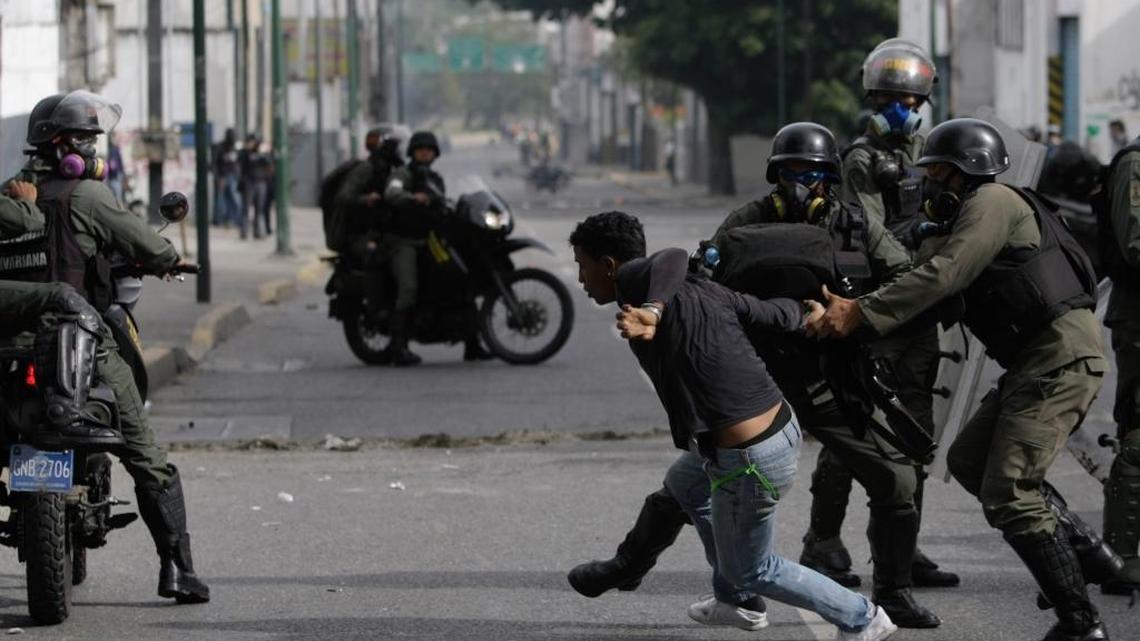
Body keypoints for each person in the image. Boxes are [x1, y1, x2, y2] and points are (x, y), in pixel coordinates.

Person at [570, 123, 942, 630]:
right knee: (684, 483)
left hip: (832, 374)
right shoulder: (746, 224)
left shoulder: (854, 226)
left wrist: (853, 313)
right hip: (759, 372)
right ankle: (650, 569)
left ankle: (886, 599)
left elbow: (906, 283)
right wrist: (669, 311)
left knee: (895, 478)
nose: (799, 183)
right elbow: (693, 272)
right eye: (789, 173)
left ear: (828, 179)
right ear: (773, 175)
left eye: (810, 174)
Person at [808, 117, 1119, 641]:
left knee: (1010, 493)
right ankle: (1086, 554)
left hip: (1059, 357)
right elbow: (933, 296)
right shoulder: (967, 219)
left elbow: (944, 277)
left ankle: (1079, 621)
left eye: (939, 175)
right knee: (969, 461)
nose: (930, 185)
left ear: (967, 174)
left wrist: (859, 314)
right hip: (1034, 360)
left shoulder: (993, 203)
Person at [1, 90, 210, 604]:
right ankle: (177, 571)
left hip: (10, 346)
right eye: (87, 140)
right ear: (63, 147)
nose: (94, 149)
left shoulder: (12, 195)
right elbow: (149, 244)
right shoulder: (88, 197)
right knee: (144, 451)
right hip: (79, 345)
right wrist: (167, 260)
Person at [802, 38, 958, 590]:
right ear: (874, 98)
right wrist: (919, 237)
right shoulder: (861, 160)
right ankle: (821, 541)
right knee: (856, 427)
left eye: (912, 102)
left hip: (919, 308)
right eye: (894, 99)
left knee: (915, 428)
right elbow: (864, 235)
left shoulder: (930, 154)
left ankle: (901, 548)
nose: (905, 109)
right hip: (875, 308)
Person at [384, 130, 493, 365]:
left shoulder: (435, 179)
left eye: (429, 149)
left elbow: (443, 201)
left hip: (431, 240)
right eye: (420, 149)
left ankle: (473, 344)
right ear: (413, 152)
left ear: (435, 153)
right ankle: (397, 346)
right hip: (405, 240)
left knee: (460, 279)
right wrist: (412, 198)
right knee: (408, 287)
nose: (425, 152)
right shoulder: (403, 174)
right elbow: (392, 192)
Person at [1096, 132, 1140, 595]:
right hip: (1138, 318)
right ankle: (1123, 558)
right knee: (1137, 438)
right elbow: (1135, 244)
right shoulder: (1136, 163)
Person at [239, 134, 273, 239]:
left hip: (261, 182)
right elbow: (242, 162)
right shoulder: (246, 153)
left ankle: (258, 232)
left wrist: (263, 152)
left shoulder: (262, 153)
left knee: (259, 210)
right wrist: (249, 150)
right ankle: (244, 231)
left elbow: (269, 163)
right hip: (249, 182)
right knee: (246, 208)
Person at [212, 127, 242, 229]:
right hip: (222, 177)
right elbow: (215, 163)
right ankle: (219, 220)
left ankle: (232, 219)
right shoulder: (220, 147)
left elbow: (239, 162)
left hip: (233, 176)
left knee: (234, 199)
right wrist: (218, 178)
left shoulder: (235, 148)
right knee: (221, 200)